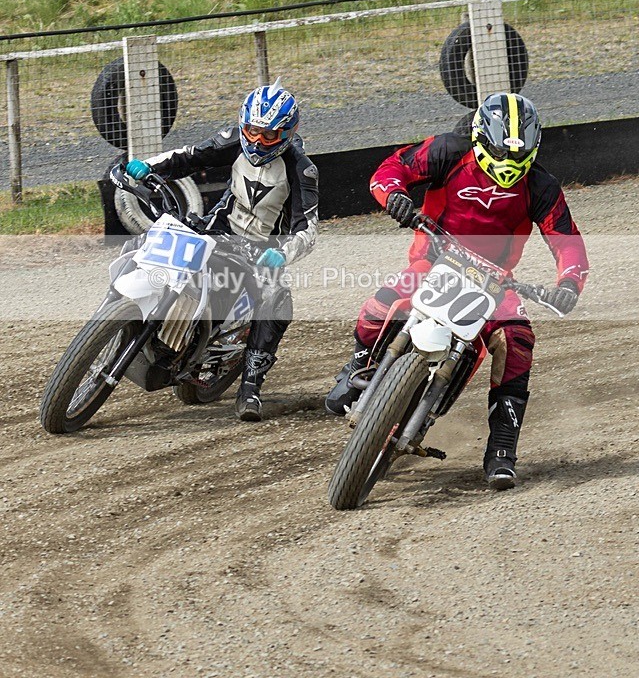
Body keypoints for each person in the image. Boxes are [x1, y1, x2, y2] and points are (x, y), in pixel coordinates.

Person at [325, 92, 589, 489]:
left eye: (518, 158)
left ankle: (502, 447)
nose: (508, 166)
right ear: (482, 138)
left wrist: (568, 283)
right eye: (501, 154)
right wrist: (395, 196)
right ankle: (358, 361)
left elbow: (567, 239)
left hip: (495, 281)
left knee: (517, 339)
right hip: (432, 260)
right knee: (381, 303)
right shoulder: (448, 151)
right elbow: (392, 168)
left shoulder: (541, 186)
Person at [125, 78, 319, 422]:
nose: (258, 141)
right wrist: (148, 166)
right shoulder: (234, 141)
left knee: (277, 299)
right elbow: (189, 157)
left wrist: (283, 254)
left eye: (270, 135)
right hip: (216, 230)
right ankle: (132, 315)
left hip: (261, 252)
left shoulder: (301, 169)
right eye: (253, 130)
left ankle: (250, 387)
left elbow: (308, 227)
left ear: (288, 133)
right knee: (149, 242)